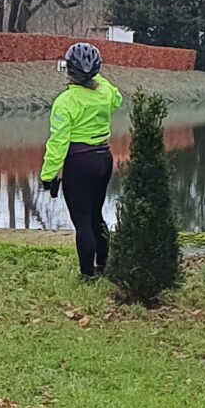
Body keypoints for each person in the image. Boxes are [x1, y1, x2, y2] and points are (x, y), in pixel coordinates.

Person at [40, 42, 124, 280]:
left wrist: (48, 176)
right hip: (103, 159)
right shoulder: (105, 91)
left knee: (83, 221)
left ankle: (87, 276)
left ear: (69, 71)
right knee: (97, 215)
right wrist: (100, 81)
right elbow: (118, 100)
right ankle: (103, 266)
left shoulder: (65, 102)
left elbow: (58, 143)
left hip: (79, 162)